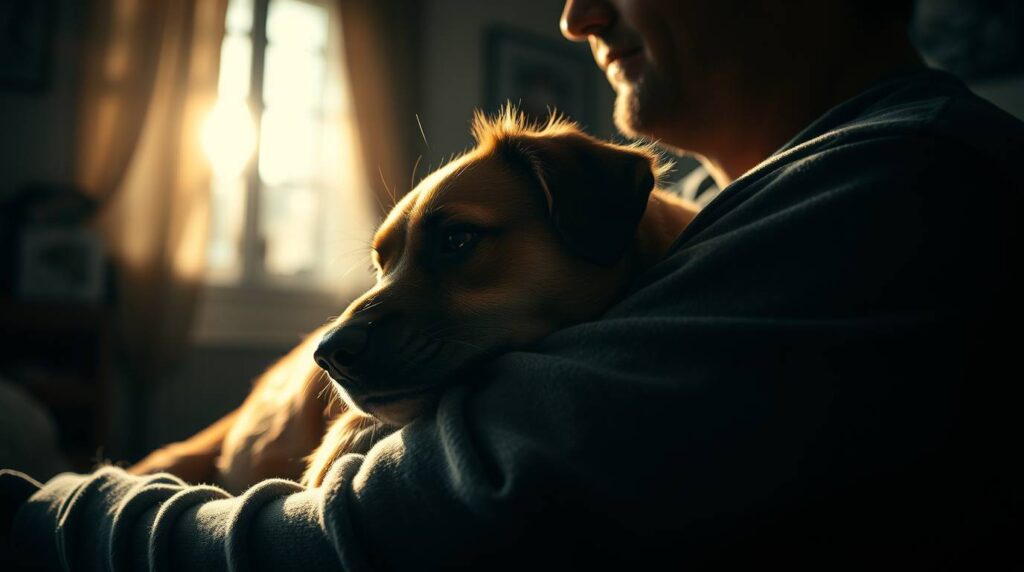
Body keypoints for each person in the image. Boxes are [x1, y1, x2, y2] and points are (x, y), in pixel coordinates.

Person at [2, 0, 1022, 568]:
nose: (575, 15)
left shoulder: (904, 186)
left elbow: (372, 545)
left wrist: (33, 519)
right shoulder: (726, 232)